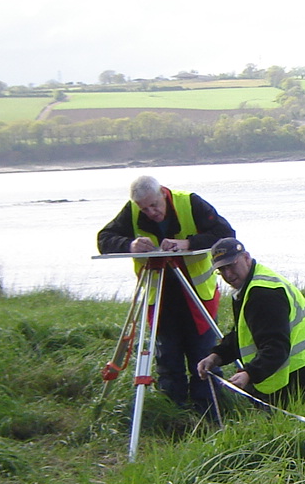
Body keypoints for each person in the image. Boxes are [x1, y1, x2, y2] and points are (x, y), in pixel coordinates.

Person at [97, 174, 236, 415]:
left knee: (203, 358)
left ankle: (210, 415)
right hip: (160, 299)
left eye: (154, 205)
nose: (151, 212)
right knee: (168, 362)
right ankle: (174, 415)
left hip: (196, 297)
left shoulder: (190, 203)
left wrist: (188, 244)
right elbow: (104, 239)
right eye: (144, 208)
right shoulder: (132, 211)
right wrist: (129, 245)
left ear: (163, 193)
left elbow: (225, 233)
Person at [195, 238, 305, 405]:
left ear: (246, 257)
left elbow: (276, 346)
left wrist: (250, 374)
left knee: (286, 426)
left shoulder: (263, 293)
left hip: (302, 373)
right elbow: (244, 332)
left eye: (231, 265)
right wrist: (216, 356)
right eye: (221, 270)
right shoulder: (250, 284)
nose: (228, 275)